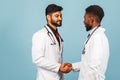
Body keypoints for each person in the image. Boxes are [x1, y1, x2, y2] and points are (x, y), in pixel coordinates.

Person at [32, 4, 72, 80]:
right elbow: (37, 59)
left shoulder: (57, 35)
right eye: (57, 16)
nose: (60, 18)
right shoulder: (40, 35)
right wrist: (59, 67)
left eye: (61, 16)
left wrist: (62, 68)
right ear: (48, 17)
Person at [72, 5, 110, 80]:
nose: (83, 21)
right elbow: (87, 64)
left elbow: (93, 67)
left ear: (91, 18)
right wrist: (72, 66)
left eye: (85, 18)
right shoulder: (95, 36)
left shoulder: (97, 38)